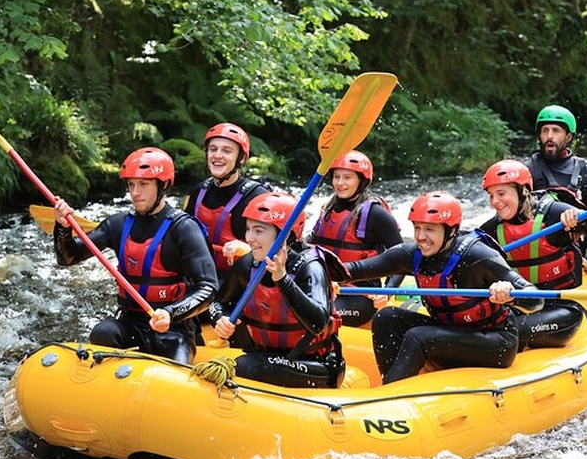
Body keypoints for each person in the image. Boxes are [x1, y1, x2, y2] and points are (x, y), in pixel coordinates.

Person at [343, 191, 543, 385]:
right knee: (386, 317)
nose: (421, 237)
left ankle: (389, 395)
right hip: (450, 333)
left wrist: (509, 294)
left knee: (418, 337)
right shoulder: (413, 254)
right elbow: (357, 269)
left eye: (429, 229)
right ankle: (397, 383)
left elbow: (535, 300)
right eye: (417, 228)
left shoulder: (477, 256)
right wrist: (321, 268)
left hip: (496, 342)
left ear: (451, 231)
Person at [53, 147, 218, 364]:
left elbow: (208, 287)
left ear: (163, 185)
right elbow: (68, 257)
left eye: (143, 184)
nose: (135, 192)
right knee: (103, 332)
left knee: (176, 363)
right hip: (131, 324)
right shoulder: (118, 224)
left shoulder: (184, 228)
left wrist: (171, 313)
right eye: (131, 184)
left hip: (173, 330)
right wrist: (63, 227)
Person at [210, 192, 346, 388]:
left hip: (315, 364)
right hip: (264, 356)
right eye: (248, 229)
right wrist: (219, 318)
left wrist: (283, 280)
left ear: (286, 234)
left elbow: (317, 324)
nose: (249, 238)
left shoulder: (309, 267)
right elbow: (218, 303)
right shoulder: (247, 265)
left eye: (259, 231)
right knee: (250, 364)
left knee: (246, 366)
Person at [479, 160, 587, 350]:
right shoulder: (492, 229)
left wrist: (582, 220)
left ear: (523, 190)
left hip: (562, 309)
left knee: (504, 331)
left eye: (501, 194)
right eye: (491, 195)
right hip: (520, 308)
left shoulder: (553, 214)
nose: (495, 202)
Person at [308, 150, 404, 327]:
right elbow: (309, 246)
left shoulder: (376, 214)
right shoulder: (327, 210)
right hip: (325, 288)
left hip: (360, 296)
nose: (340, 183)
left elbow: (403, 258)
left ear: (361, 180)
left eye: (347, 177)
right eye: (336, 177)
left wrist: (387, 292)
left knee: (316, 314)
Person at [183, 122, 270, 280]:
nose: (217, 155)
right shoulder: (198, 192)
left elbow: (278, 250)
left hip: (239, 283)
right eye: (213, 149)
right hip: (198, 280)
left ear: (241, 159)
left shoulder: (258, 198)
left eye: (227, 151)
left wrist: (249, 249)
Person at [527, 105, 587, 274]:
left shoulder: (584, 172)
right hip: (536, 248)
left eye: (556, 131)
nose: (549, 136)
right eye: (545, 130)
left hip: (571, 249)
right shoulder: (527, 170)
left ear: (568, 136)